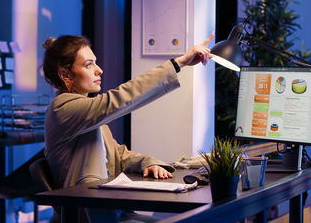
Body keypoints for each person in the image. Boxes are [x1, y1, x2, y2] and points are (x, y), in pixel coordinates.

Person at [42, 34, 213, 222]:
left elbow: (118, 154)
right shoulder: (63, 109)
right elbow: (120, 98)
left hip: (110, 210)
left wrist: (149, 163)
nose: (99, 70)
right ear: (65, 74)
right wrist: (178, 63)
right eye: (89, 64)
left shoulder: (84, 111)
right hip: (88, 216)